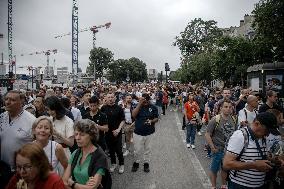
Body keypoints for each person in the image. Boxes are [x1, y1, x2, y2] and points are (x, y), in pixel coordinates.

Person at [223, 112, 280, 188]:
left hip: (259, 185)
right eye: (267, 130)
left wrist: (272, 160)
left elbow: (256, 156)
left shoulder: (262, 137)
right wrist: (254, 165)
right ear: (257, 124)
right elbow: (227, 164)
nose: (268, 134)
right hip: (240, 185)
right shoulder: (240, 136)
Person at [62, 119, 110, 189]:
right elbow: (64, 181)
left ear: (91, 136)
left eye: (82, 135)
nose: (77, 138)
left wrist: (73, 184)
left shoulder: (100, 157)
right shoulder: (76, 153)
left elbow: (92, 187)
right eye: (76, 134)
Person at [205, 98, 237, 189]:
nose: (228, 109)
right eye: (226, 107)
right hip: (217, 150)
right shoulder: (215, 119)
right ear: (221, 108)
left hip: (228, 151)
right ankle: (213, 186)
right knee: (214, 169)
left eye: (230, 107)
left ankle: (223, 185)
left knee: (225, 168)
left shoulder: (234, 119)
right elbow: (207, 134)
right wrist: (212, 147)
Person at [0, 90, 36, 168]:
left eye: (12, 100)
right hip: (2, 167)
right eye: (6, 99)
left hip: (21, 169)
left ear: (21, 102)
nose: (7, 102)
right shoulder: (2, 117)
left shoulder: (31, 120)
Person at [131, 93, 159, 173]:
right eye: (143, 100)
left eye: (146, 100)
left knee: (148, 149)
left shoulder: (153, 107)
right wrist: (139, 104)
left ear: (149, 99)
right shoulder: (137, 106)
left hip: (149, 133)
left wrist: (151, 121)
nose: (145, 102)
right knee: (137, 150)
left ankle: (146, 163)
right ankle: (136, 163)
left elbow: (156, 118)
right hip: (138, 133)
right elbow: (133, 115)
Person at [101, 92, 125, 173]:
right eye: (109, 97)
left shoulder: (119, 108)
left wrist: (118, 130)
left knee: (118, 150)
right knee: (111, 150)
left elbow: (122, 120)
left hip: (117, 132)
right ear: (106, 98)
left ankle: (121, 164)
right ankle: (113, 163)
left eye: (112, 97)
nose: (110, 99)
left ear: (115, 98)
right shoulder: (103, 108)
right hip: (108, 133)